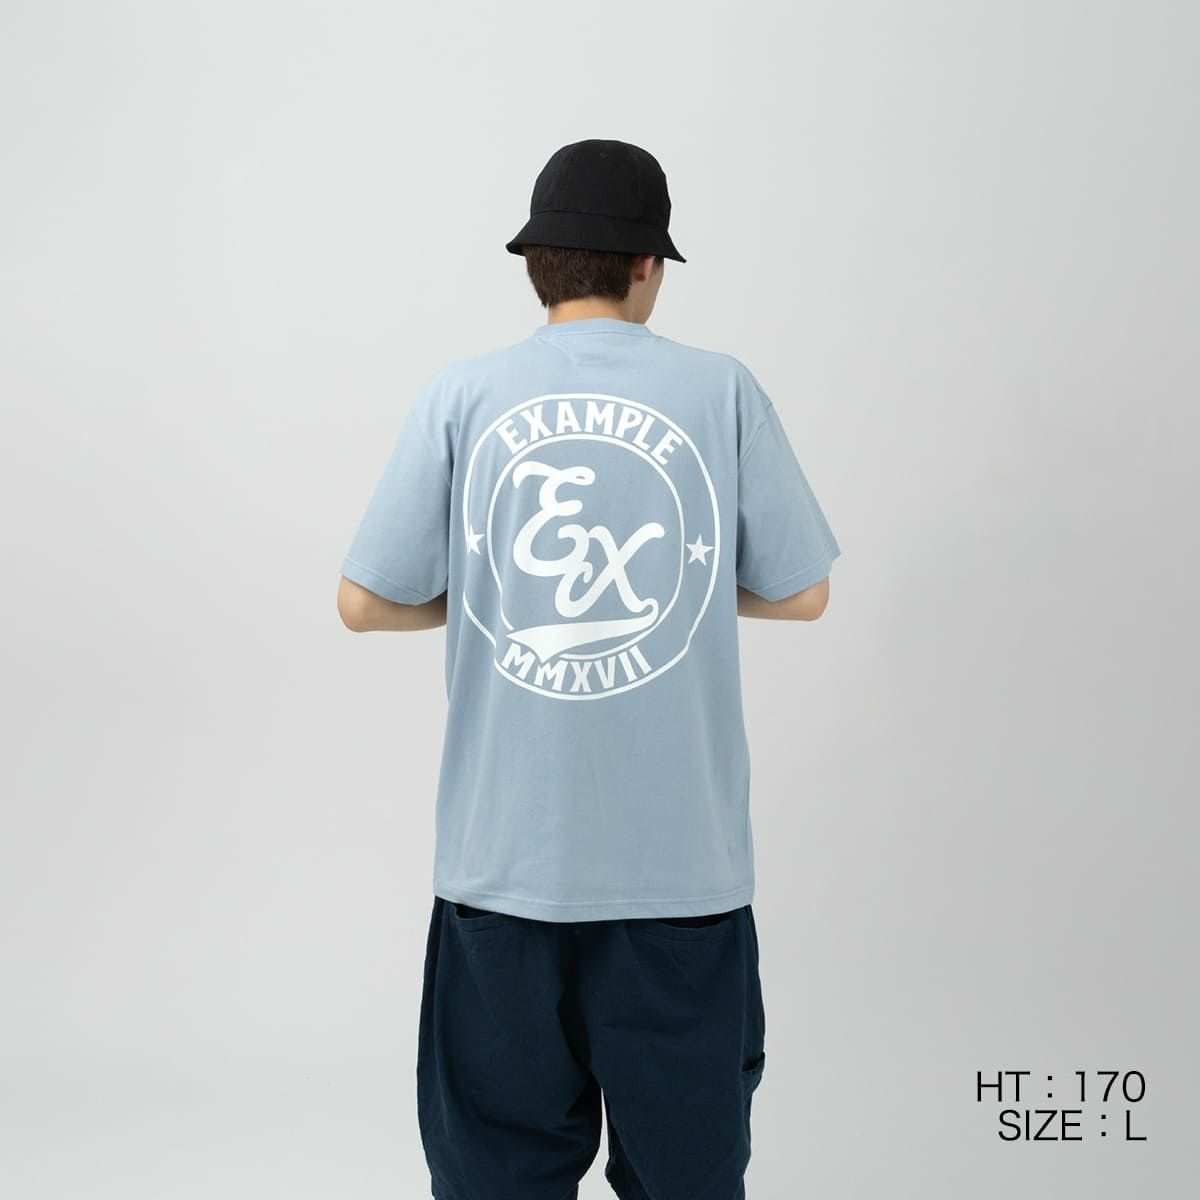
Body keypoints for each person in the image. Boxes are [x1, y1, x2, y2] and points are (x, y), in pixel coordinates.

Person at [337, 138, 841, 1200]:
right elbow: (804, 591)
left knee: (495, 1174)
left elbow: (363, 602)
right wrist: (677, 591)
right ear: (648, 265)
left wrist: (500, 597)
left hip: (502, 873)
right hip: (683, 881)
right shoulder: (721, 391)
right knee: (688, 1177)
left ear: (537, 265)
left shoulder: (462, 395)